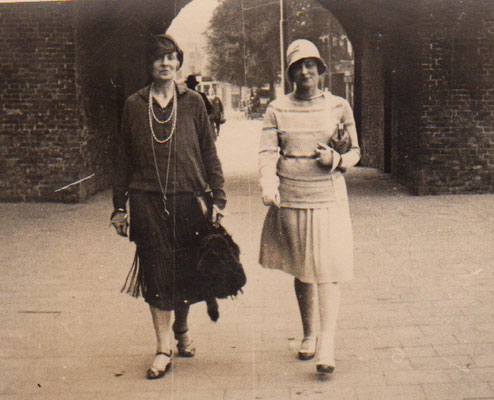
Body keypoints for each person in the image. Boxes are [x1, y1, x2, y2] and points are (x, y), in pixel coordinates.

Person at [111, 34, 226, 380]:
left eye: (172, 58)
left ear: (179, 62)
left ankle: (182, 329)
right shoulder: (134, 104)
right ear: (149, 64)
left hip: (189, 199)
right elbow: (123, 159)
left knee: (186, 271)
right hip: (147, 201)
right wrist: (119, 206)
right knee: (157, 273)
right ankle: (163, 348)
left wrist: (217, 197)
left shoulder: (193, 103)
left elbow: (208, 152)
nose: (166, 64)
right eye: (159, 58)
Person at [258, 39, 360, 375]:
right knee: (303, 268)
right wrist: (268, 186)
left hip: (329, 197)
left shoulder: (339, 105)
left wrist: (338, 158)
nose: (305, 72)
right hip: (292, 196)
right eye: (298, 66)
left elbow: (356, 151)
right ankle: (308, 334)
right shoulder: (276, 109)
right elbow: (267, 153)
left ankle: (327, 343)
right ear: (290, 73)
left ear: (320, 69)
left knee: (327, 268)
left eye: (311, 65)